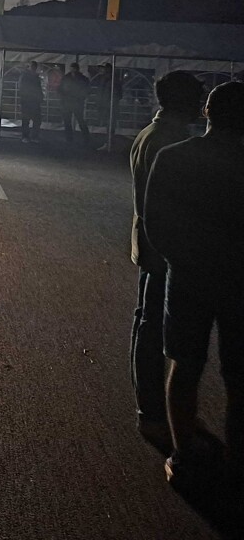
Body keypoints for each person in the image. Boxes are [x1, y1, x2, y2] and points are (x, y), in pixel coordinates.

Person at [143, 81, 244, 489]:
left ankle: (184, 454)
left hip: (188, 279)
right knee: (239, 378)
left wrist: (182, 263)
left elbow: (156, 224)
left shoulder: (174, 156)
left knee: (185, 365)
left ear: (207, 113)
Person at [128, 71, 204, 452]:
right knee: (154, 330)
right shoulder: (169, 143)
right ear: (184, 103)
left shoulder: (150, 134)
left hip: (152, 244)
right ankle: (154, 412)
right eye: (198, 98)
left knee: (148, 324)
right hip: (165, 250)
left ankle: (156, 409)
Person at [60, 62, 91, 142]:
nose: (72, 70)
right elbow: (60, 89)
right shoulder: (81, 78)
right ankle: (72, 138)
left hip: (74, 102)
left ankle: (82, 137)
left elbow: (86, 90)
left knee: (78, 120)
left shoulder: (68, 78)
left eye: (73, 68)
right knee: (72, 121)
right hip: (72, 102)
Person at [17, 61, 44, 143]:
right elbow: (22, 88)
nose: (33, 68)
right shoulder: (28, 76)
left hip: (31, 101)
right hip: (28, 100)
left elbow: (22, 88)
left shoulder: (29, 76)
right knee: (28, 120)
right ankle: (28, 136)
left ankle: (29, 136)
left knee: (33, 120)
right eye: (33, 67)